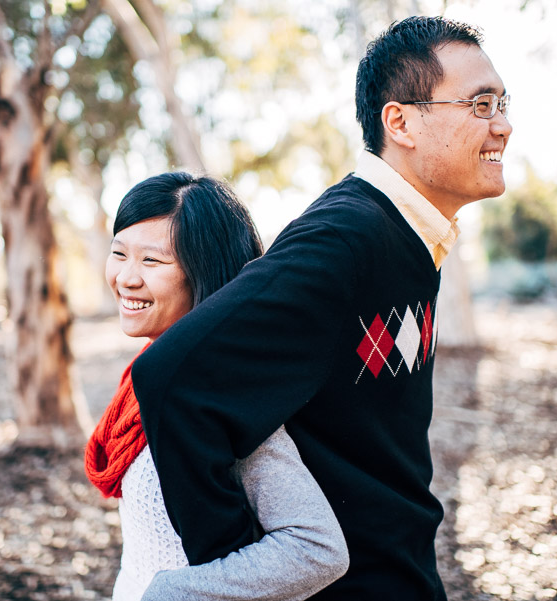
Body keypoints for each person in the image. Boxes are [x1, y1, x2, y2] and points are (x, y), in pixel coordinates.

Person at [131, 16, 513, 600]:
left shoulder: (411, 237)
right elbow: (171, 377)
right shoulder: (345, 239)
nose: (503, 126)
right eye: (480, 104)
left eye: (502, 102)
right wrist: (236, 574)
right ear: (402, 121)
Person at [84, 172, 349, 601]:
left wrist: (172, 594)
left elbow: (316, 549)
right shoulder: (147, 377)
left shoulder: (222, 396)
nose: (127, 278)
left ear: (203, 272)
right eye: (119, 254)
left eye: (152, 261)